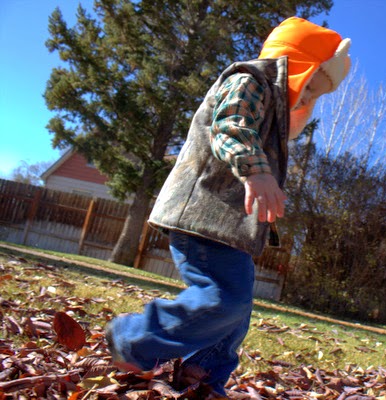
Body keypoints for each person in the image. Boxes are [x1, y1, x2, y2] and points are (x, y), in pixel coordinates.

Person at [106, 16, 351, 396]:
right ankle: (135, 340)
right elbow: (231, 127)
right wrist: (257, 173)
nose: (307, 101)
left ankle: (202, 377)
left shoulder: (272, 106)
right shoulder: (250, 79)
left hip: (227, 225)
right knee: (224, 299)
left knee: (237, 312)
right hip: (201, 213)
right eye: (309, 90)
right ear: (298, 67)